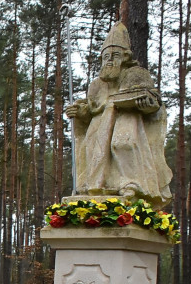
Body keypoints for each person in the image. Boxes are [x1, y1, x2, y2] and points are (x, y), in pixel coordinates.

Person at [65, 22, 173, 207]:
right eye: (106, 56)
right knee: (91, 148)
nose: (109, 61)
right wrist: (79, 112)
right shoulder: (97, 85)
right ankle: (96, 186)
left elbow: (153, 103)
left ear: (125, 57)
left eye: (115, 56)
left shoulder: (136, 75)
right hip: (99, 124)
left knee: (123, 143)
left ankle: (131, 185)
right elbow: (90, 109)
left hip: (127, 118)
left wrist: (146, 104)